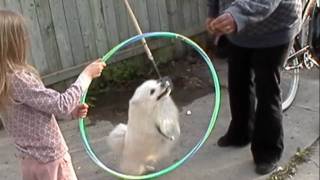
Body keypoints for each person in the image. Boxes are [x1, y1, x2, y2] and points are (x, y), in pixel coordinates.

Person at [0, 10, 106, 180]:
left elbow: (29, 115)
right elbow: (61, 104)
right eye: (23, 36)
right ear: (15, 42)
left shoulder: (4, 80)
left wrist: (71, 112)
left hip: (30, 162)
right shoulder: (18, 78)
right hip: (50, 161)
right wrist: (87, 75)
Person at [206, 0, 302, 175]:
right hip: (239, 31)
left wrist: (235, 15)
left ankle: (268, 151)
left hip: (275, 28)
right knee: (237, 81)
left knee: (267, 89)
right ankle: (240, 133)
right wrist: (213, 12)